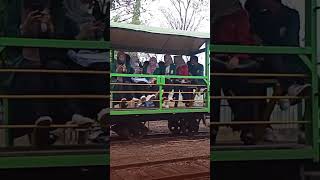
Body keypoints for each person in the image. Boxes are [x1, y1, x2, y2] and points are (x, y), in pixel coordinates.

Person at [245, 0, 310, 143]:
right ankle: (289, 89)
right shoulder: (259, 17)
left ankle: (305, 130)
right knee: (272, 57)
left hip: (290, 60)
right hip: (269, 62)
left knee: (315, 81)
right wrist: (272, 41)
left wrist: (269, 42)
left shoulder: (291, 15)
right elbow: (257, 40)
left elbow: (290, 41)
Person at [212, 0, 262, 145]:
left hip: (236, 59)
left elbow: (244, 40)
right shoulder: (213, 17)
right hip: (219, 59)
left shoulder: (239, 15)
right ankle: (213, 130)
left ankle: (246, 128)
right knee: (214, 87)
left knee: (241, 84)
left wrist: (237, 57)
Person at [63, 0, 109, 143]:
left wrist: (100, 33)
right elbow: (61, 45)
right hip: (73, 61)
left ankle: (102, 118)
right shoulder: (64, 15)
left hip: (95, 59)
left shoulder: (98, 11)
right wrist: (81, 36)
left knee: (102, 69)